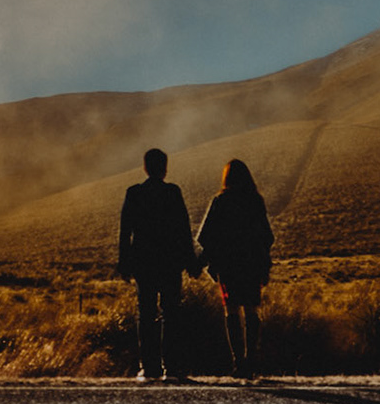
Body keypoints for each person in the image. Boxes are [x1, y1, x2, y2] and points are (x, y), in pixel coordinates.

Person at [117, 147, 197, 382]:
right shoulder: (173, 192)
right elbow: (184, 229)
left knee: (146, 311)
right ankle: (171, 365)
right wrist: (190, 261)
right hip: (170, 261)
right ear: (165, 168)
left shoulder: (134, 193)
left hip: (144, 261)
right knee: (171, 312)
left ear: (145, 168)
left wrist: (124, 261)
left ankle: (149, 366)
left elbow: (125, 231)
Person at [196, 158, 275, 381]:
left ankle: (238, 362)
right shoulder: (255, 200)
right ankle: (251, 361)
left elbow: (207, 237)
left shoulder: (220, 201)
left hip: (229, 265)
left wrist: (201, 262)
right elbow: (267, 236)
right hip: (251, 263)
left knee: (231, 311)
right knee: (252, 310)